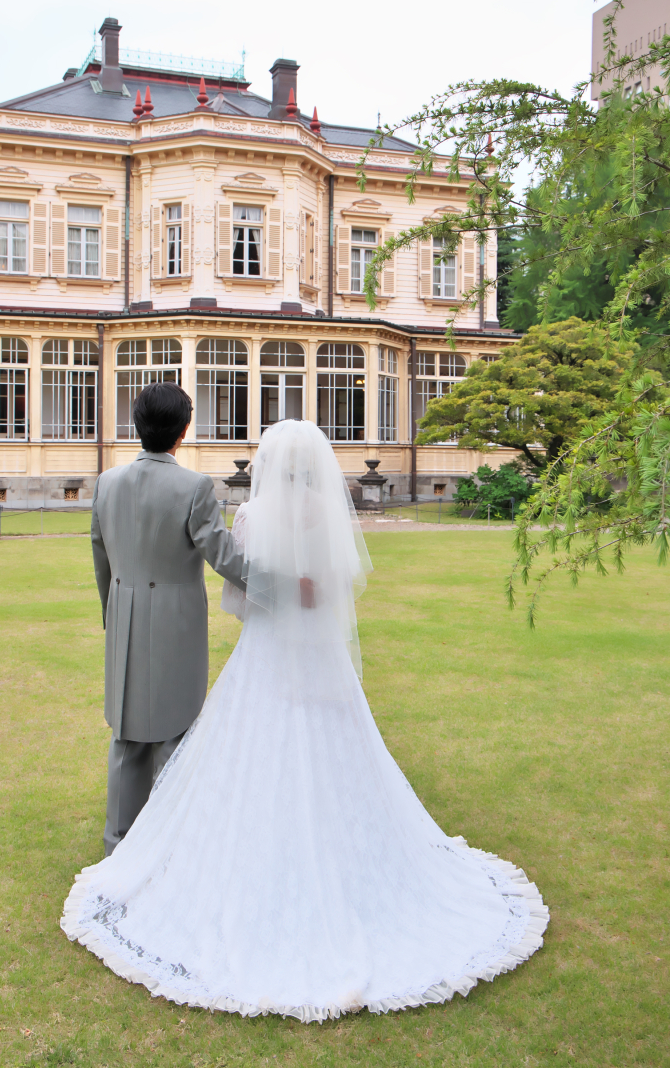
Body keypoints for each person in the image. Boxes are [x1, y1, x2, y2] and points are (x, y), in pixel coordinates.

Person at [64, 420, 548, 1021]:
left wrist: (274, 594)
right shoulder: (327, 511)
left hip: (266, 655)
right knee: (338, 749)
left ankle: (150, 841)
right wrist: (303, 593)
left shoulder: (250, 516)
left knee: (227, 752)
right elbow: (340, 590)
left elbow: (240, 601)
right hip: (319, 660)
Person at [89, 381, 245, 857]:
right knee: (173, 730)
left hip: (123, 610)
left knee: (127, 732)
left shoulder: (107, 481)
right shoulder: (193, 485)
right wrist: (281, 581)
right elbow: (224, 556)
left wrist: (111, 611)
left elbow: (100, 554)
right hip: (175, 618)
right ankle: (168, 840)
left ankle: (119, 839)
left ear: (138, 424)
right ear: (183, 430)